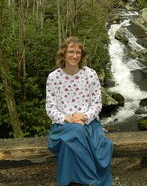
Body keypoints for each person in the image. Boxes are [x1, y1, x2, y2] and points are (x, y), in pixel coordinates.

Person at [46, 36, 113, 186]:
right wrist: (67, 118)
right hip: (63, 125)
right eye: (71, 51)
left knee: (82, 137)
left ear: (82, 55)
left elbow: (96, 104)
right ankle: (93, 180)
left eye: (78, 52)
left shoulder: (90, 75)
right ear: (63, 53)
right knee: (75, 131)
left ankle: (71, 181)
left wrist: (84, 117)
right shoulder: (53, 78)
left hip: (88, 124)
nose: (74, 56)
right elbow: (50, 108)